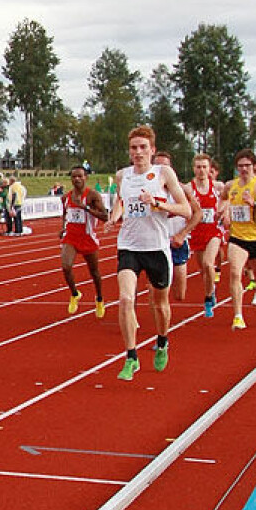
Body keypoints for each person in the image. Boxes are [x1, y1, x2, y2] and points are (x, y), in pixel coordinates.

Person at [105, 126, 191, 381]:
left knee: (160, 305)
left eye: (143, 147)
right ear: (129, 151)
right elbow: (121, 202)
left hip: (156, 248)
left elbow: (185, 209)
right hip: (129, 246)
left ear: (152, 150)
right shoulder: (122, 175)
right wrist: (114, 218)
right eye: (134, 148)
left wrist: (156, 203)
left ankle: (162, 341)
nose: (138, 152)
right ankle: (131, 357)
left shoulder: (163, 173)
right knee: (125, 299)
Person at [221, 149, 256, 330]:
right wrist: (223, 212)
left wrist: (254, 204)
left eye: (247, 165)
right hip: (237, 238)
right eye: (240, 166)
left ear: (253, 166)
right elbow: (223, 199)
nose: (244, 169)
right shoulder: (231, 185)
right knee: (235, 273)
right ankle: (238, 316)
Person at [59, 165, 107, 317]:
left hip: (87, 238)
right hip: (71, 237)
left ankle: (99, 298)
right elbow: (65, 213)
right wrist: (63, 227)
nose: (77, 179)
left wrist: (85, 207)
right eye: (74, 177)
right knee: (66, 266)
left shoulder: (92, 195)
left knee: (94, 272)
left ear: (86, 177)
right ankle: (75, 294)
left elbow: (105, 216)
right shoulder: (66, 197)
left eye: (80, 176)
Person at [154, 151, 200, 303]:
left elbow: (197, 214)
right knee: (155, 289)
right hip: (156, 243)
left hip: (177, 243)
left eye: (165, 166)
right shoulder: (147, 190)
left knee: (179, 294)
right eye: (158, 166)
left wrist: (183, 233)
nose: (162, 170)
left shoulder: (182, 189)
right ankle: (159, 320)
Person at [184, 154, 226, 317]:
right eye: (198, 167)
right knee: (204, 270)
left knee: (209, 264)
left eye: (204, 167)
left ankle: (208, 298)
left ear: (210, 169)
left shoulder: (217, 187)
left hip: (214, 231)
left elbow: (228, 198)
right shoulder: (189, 188)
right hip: (197, 233)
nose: (201, 170)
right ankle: (211, 291)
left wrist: (225, 211)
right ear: (194, 169)